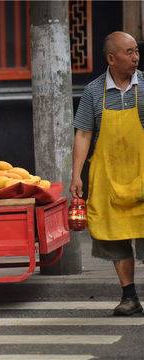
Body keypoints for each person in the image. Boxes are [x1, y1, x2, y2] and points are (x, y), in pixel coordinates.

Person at [70, 31, 144, 316]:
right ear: (112, 58)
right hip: (109, 179)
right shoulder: (93, 91)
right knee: (115, 240)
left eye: (136, 51)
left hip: (141, 175)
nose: (135, 57)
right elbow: (83, 134)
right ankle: (130, 297)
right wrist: (76, 175)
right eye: (129, 52)